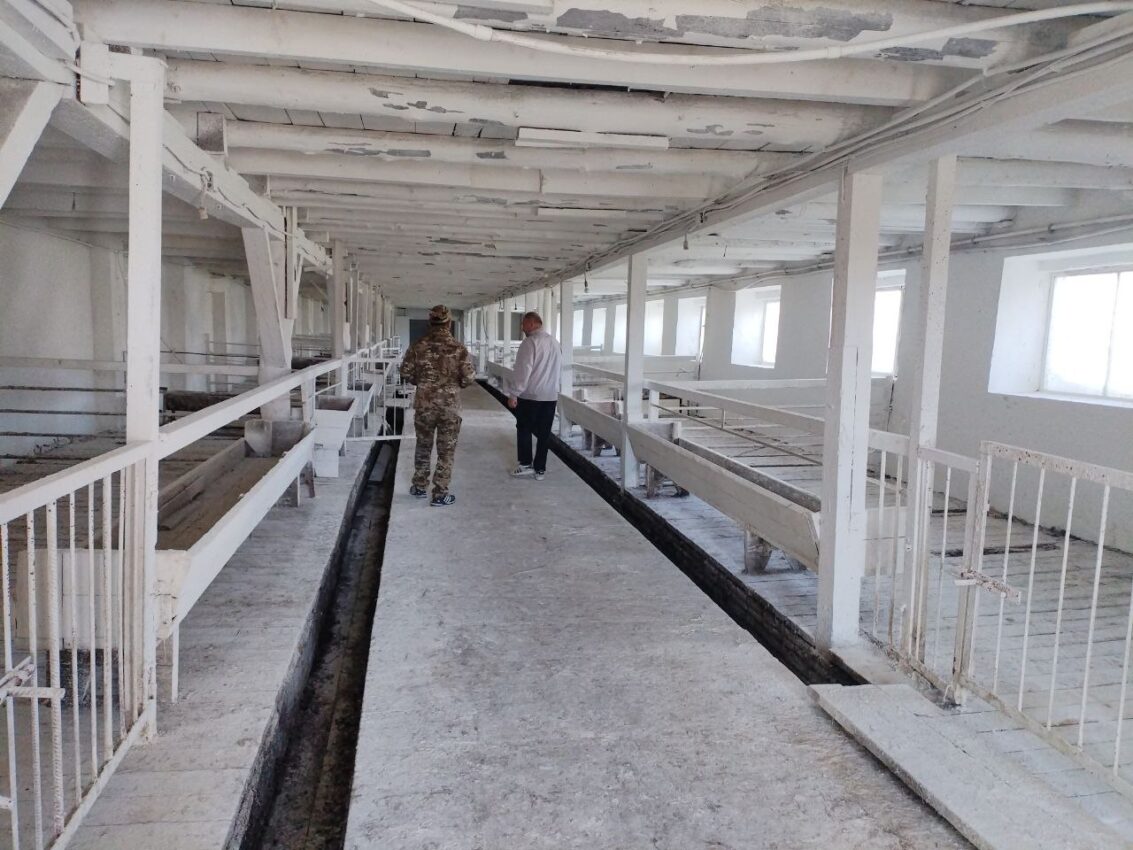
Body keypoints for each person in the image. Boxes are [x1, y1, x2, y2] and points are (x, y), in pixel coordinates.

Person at [399, 304, 476, 506]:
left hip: (424, 405)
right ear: (449, 323)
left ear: (430, 322)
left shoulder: (418, 346)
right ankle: (440, 494)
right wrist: (453, 386)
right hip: (450, 408)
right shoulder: (459, 349)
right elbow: (469, 378)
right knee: (446, 451)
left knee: (423, 446)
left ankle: (419, 486)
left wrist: (422, 383)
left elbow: (405, 372)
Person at [507, 311, 562, 481]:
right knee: (544, 433)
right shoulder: (554, 342)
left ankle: (525, 464)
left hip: (531, 396)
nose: (522, 327)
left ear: (532, 323)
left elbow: (523, 371)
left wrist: (514, 393)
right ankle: (540, 470)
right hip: (550, 396)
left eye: (523, 324)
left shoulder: (530, 342)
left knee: (524, 428)